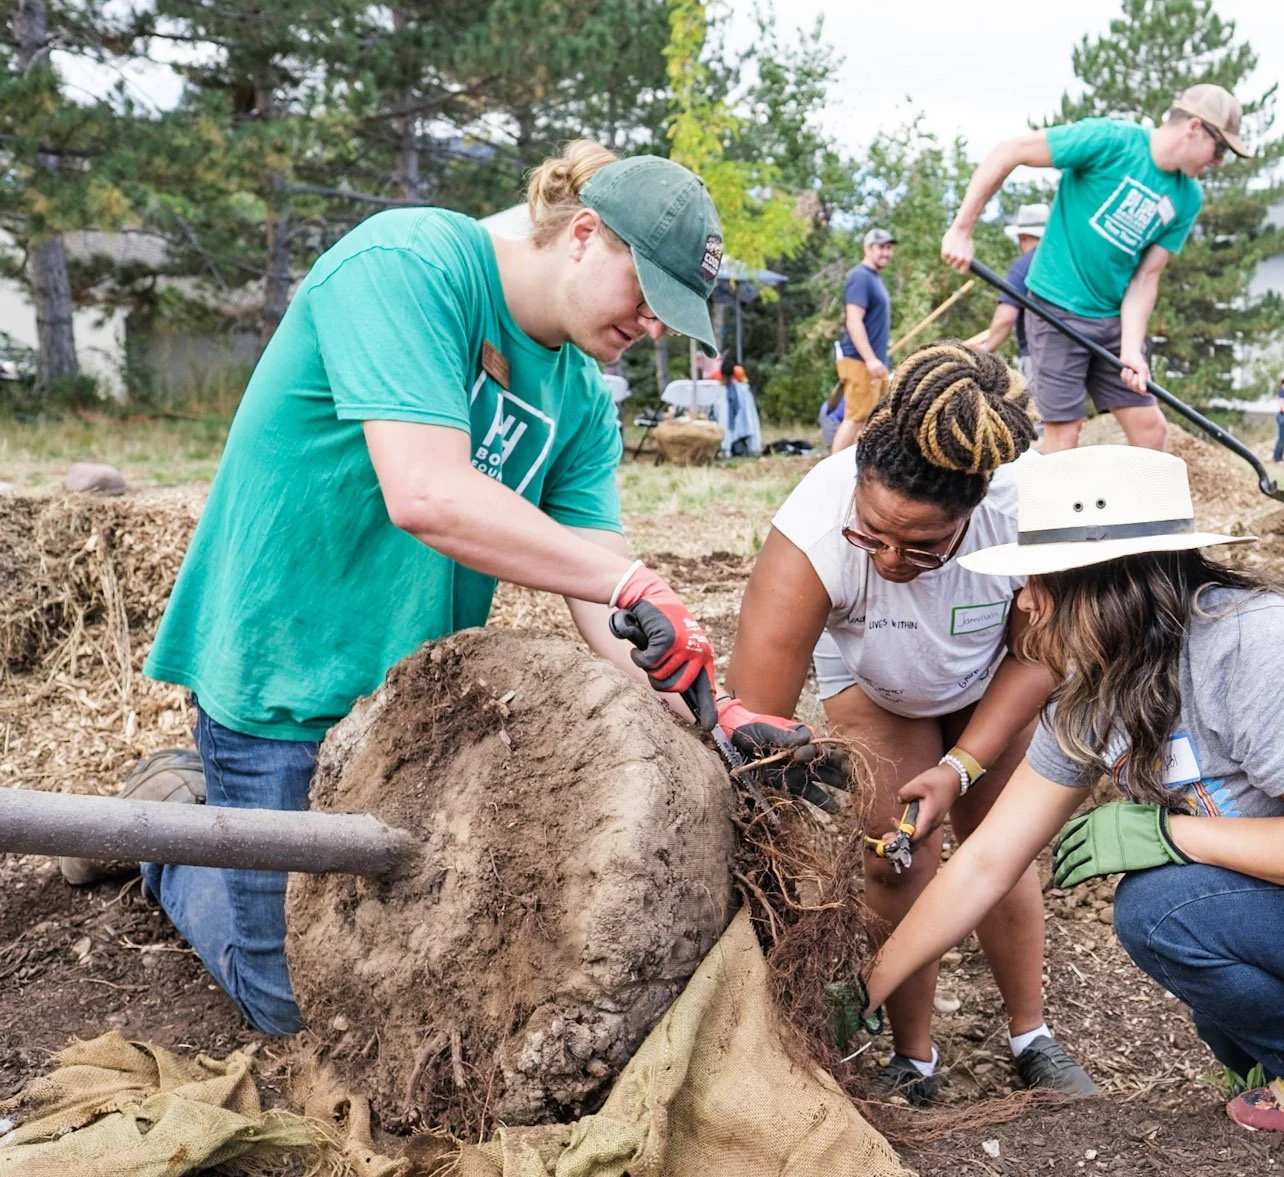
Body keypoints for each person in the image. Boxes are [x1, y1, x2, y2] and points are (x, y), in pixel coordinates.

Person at [106, 141, 822, 1036]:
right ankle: (163, 823)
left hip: (405, 710)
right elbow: (427, 494)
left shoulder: (581, 398)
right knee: (293, 1004)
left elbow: (607, 595)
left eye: (672, 316)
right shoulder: (411, 266)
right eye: (645, 296)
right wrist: (626, 576)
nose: (653, 328)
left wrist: (713, 713)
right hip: (283, 668)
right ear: (585, 235)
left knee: (408, 973)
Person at [843, 447, 1284, 1132]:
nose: (1024, 601)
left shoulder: (1254, 644)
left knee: (1165, 906)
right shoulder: (1094, 691)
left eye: (1037, 580)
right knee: (1187, 920)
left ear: (1103, 584)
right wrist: (872, 983)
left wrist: (1166, 833)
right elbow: (988, 859)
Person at [726, 342, 1100, 1105]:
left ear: (972, 511)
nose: (892, 559)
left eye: (925, 546)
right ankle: (912, 1056)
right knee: (893, 852)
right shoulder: (813, 528)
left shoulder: (1020, 511)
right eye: (874, 536)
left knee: (1001, 844)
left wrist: (964, 762)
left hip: (992, 672)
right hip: (875, 681)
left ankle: (1030, 1034)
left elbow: (1042, 654)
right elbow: (754, 717)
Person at [940, 85, 1249, 453]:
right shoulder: (1110, 141)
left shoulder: (1186, 197)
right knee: (1064, 435)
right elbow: (1011, 151)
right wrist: (961, 229)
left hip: (1112, 321)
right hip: (1055, 308)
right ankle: (1056, 510)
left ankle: (1143, 512)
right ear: (1194, 128)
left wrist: (1132, 350)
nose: (1218, 162)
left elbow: (1146, 278)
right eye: (1220, 150)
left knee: (1151, 432)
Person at [832, 227, 896, 454]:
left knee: (872, 420)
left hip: (875, 361)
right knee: (855, 418)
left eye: (889, 248)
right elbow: (854, 321)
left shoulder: (875, 279)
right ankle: (831, 474)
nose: (886, 253)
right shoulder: (860, 277)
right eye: (880, 247)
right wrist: (870, 359)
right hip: (859, 360)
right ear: (868, 249)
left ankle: (857, 474)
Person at [973, 204, 1049, 382]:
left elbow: (1006, 317)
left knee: (1039, 409)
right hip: (1076, 352)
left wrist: (986, 347)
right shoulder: (1065, 263)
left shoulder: (1025, 265)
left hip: (1039, 355)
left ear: (1022, 237)